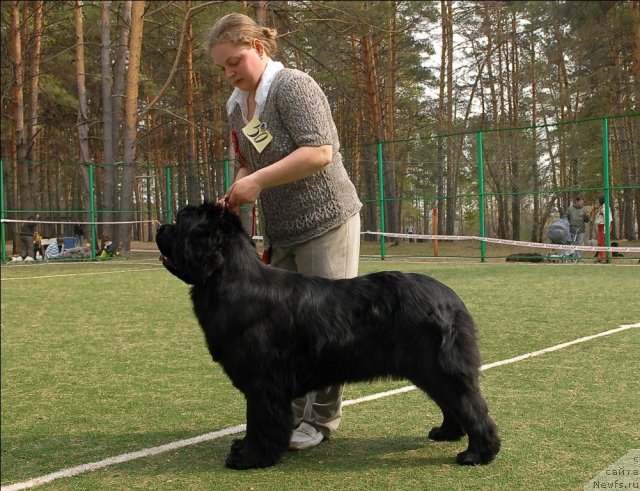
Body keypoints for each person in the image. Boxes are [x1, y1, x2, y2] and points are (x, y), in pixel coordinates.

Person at [207, 13, 362, 451]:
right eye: (222, 67)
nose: (230, 73)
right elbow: (249, 160)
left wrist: (257, 182)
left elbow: (320, 152)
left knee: (329, 327)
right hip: (281, 230)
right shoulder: (237, 105)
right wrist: (240, 184)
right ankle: (284, 413)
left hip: (326, 220)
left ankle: (321, 420)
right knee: (282, 331)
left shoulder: (294, 86)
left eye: (234, 61)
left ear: (259, 47)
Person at [594, 195, 612, 263]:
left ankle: (605, 257)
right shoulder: (602, 207)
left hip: (605, 226)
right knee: (600, 243)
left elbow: (608, 219)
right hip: (601, 226)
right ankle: (601, 257)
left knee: (603, 243)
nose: (598, 202)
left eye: (599, 200)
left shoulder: (605, 208)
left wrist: (606, 228)